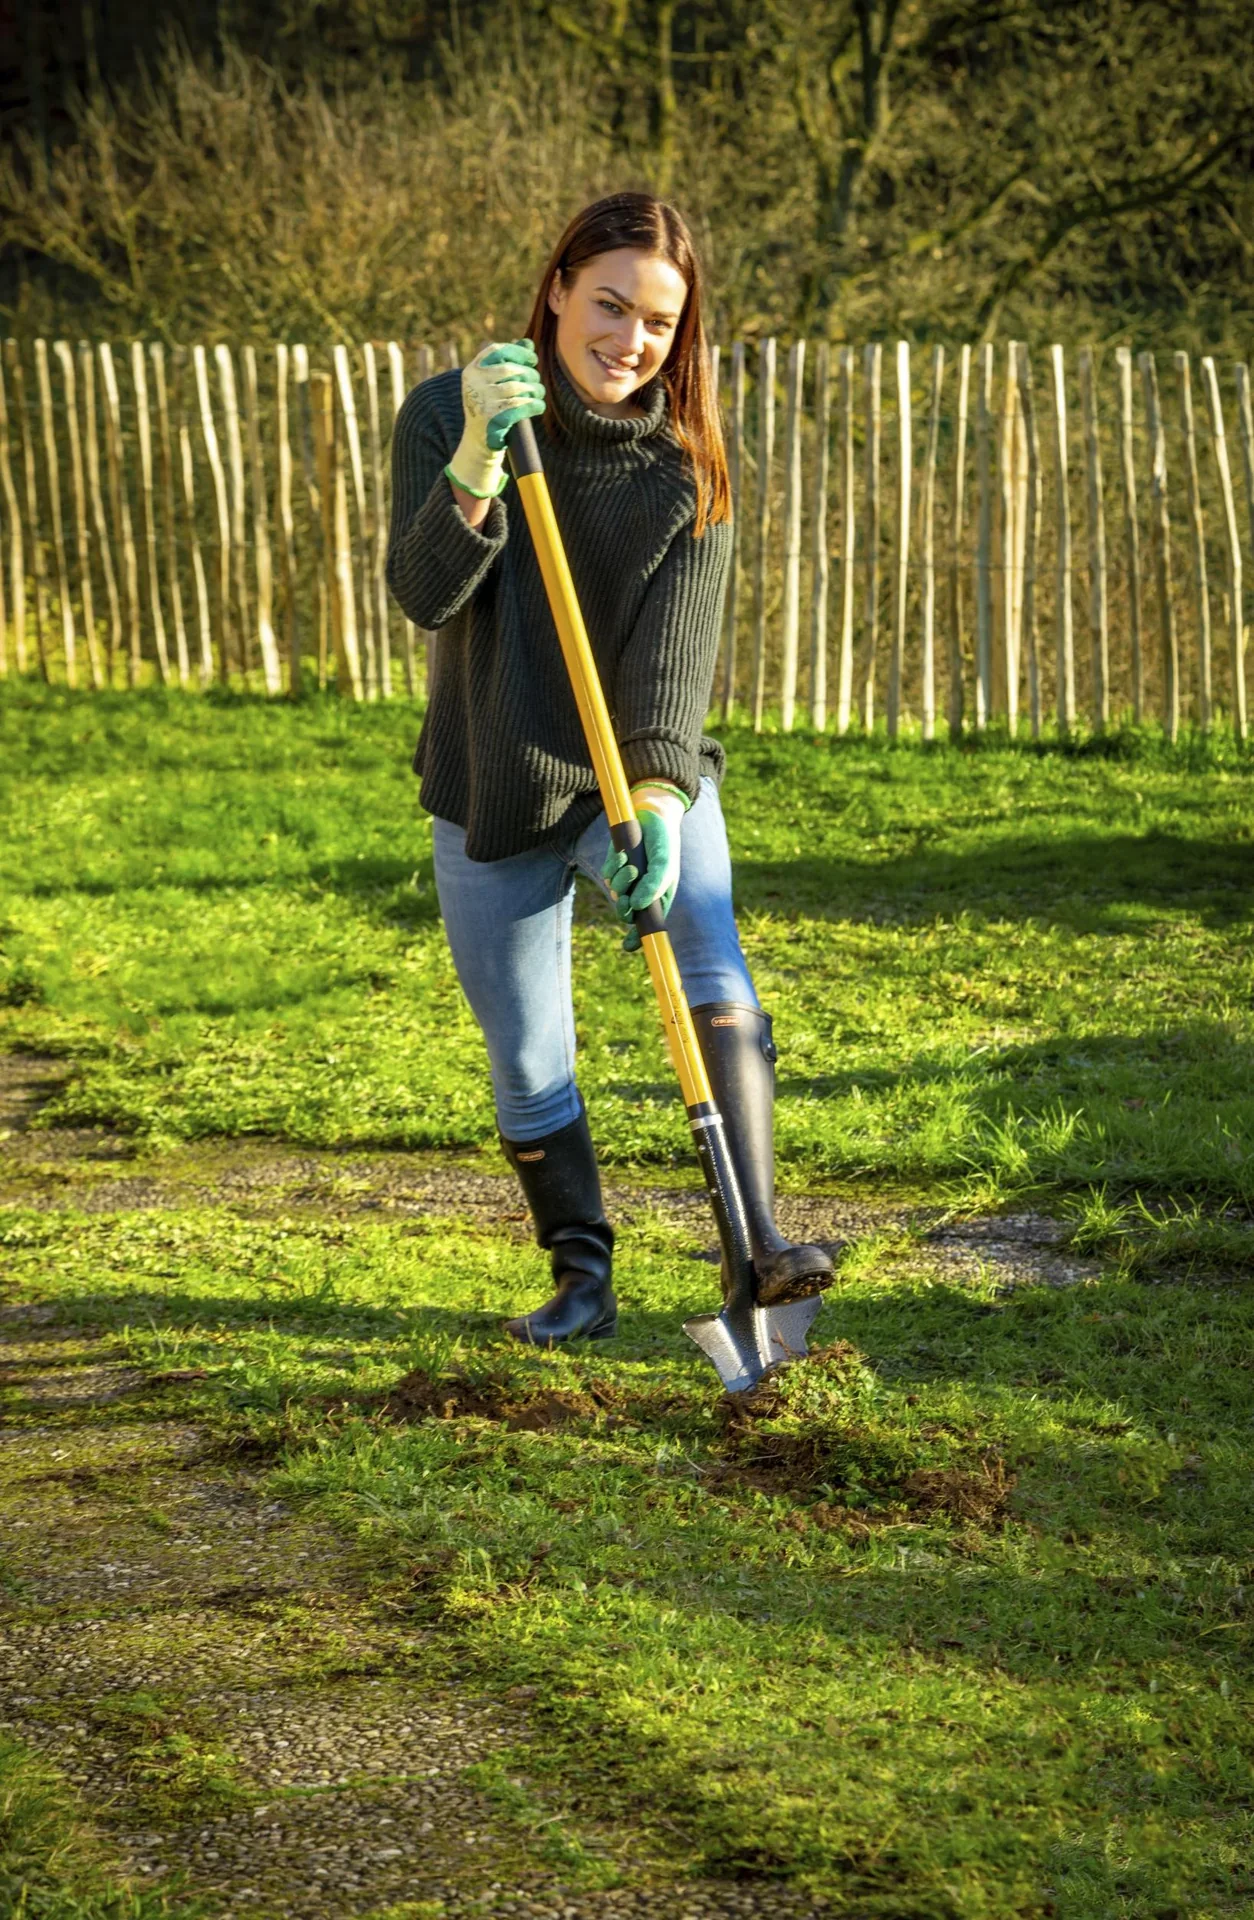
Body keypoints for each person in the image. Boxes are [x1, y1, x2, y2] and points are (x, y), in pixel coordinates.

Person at [386, 191, 831, 1346]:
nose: (630, 340)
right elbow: (427, 593)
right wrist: (483, 452)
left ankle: (755, 1249)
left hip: (638, 770)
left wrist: (655, 801)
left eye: (659, 323)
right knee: (529, 1055)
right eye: (610, 305)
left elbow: (671, 671)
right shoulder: (452, 412)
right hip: (496, 774)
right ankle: (583, 1279)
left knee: (711, 959)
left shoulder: (688, 467)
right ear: (557, 291)